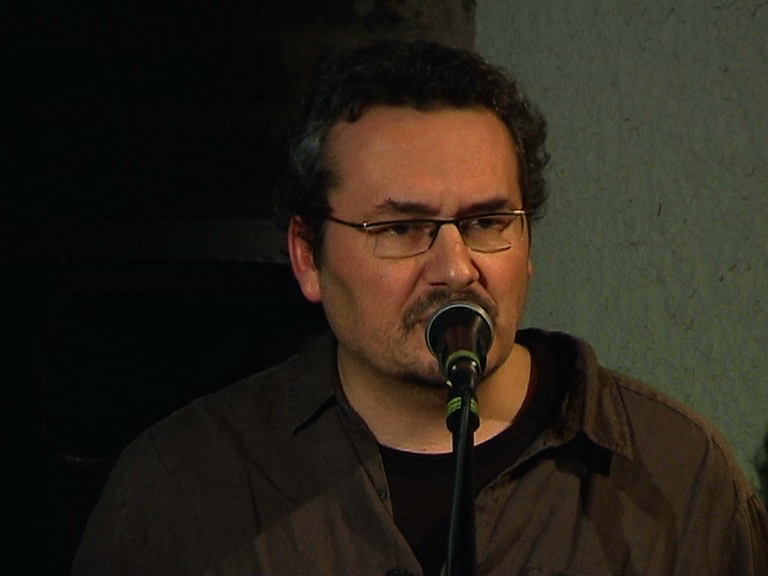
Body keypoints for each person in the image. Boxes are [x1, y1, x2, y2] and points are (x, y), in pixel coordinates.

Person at [73, 40, 768, 576]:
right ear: (308, 256)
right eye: (401, 228)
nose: (456, 268)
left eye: (487, 222)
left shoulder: (680, 474)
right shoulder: (180, 487)